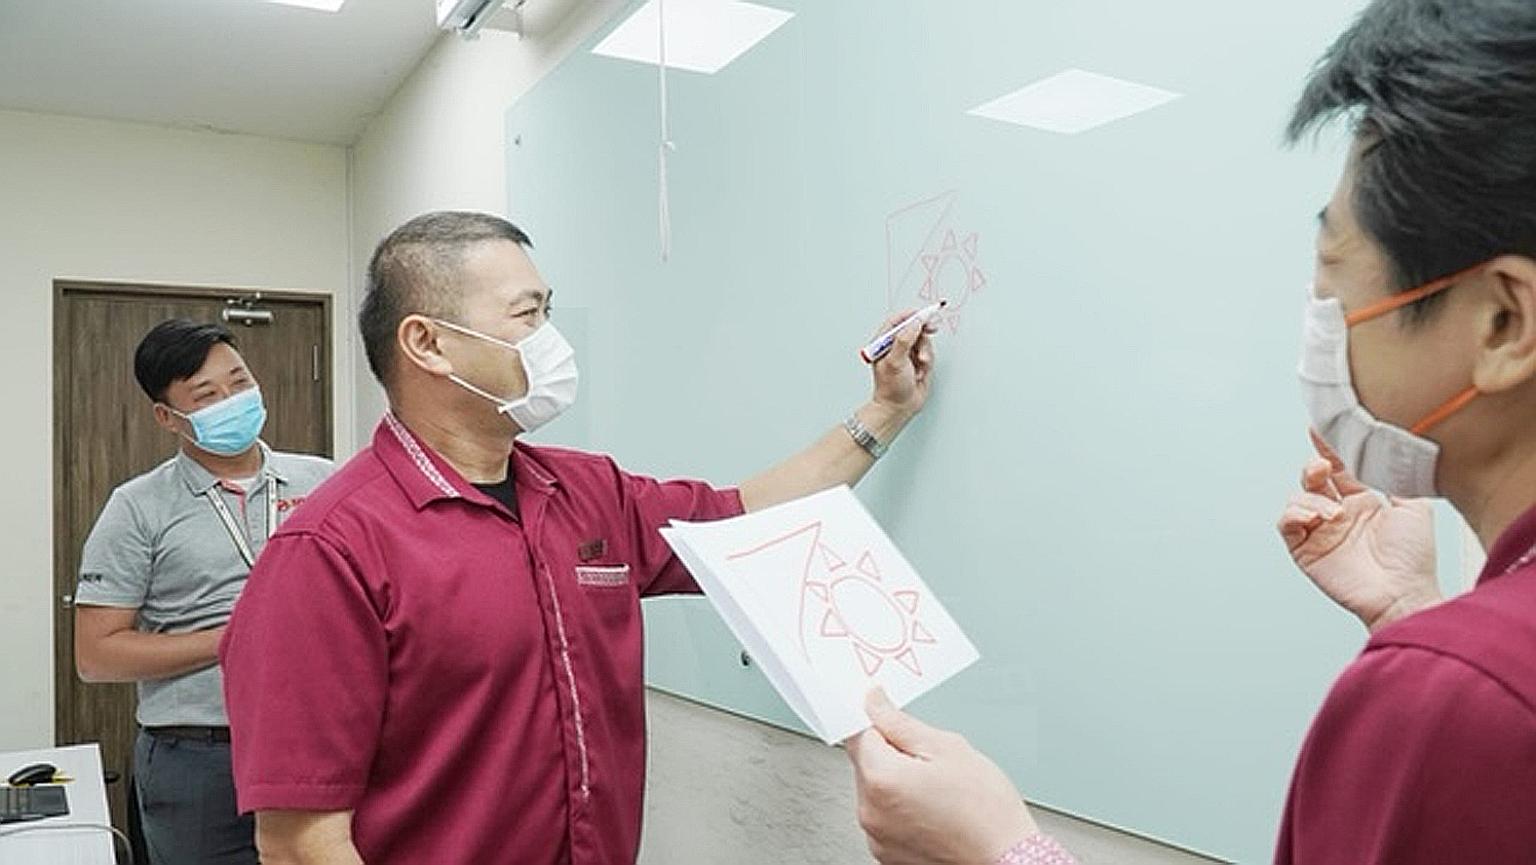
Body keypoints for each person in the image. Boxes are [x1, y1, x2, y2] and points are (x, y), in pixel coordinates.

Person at [845, 0, 1536, 862]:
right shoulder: (1475, 676)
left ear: (1505, 323)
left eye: (1334, 266)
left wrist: (1001, 851)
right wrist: (1413, 613)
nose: (1322, 316)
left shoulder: (1461, 696)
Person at [218, 211, 936, 865]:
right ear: (428, 343)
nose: (552, 340)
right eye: (527, 315)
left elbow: (746, 516)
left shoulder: (589, 493)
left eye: (548, 311)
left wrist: (886, 408)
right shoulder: (328, 550)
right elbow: (300, 841)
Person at [73, 319, 333, 865]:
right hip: (199, 755)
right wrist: (234, 638)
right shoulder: (137, 507)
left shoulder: (326, 483)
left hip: (318, 740)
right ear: (168, 418)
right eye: (207, 395)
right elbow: (96, 656)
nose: (232, 400)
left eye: (239, 383)